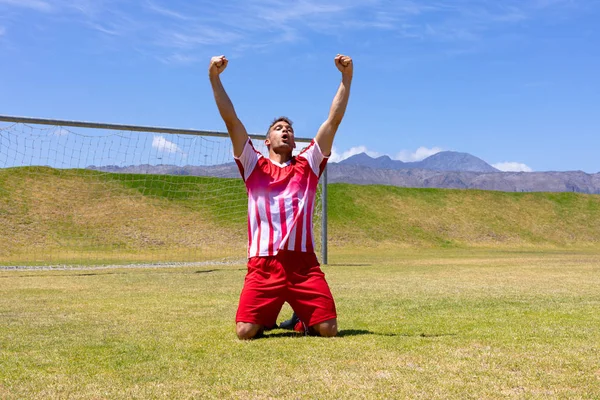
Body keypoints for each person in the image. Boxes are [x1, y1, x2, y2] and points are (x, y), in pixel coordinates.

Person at [209, 53, 353, 339]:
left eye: (289, 129)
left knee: (329, 331)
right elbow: (232, 121)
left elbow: (332, 121)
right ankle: (267, 316)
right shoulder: (253, 165)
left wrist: (346, 78)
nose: (285, 131)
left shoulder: (308, 164)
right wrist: (214, 77)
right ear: (267, 141)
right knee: (245, 332)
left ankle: (303, 318)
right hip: (263, 265)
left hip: (303, 264)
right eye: (278, 128)